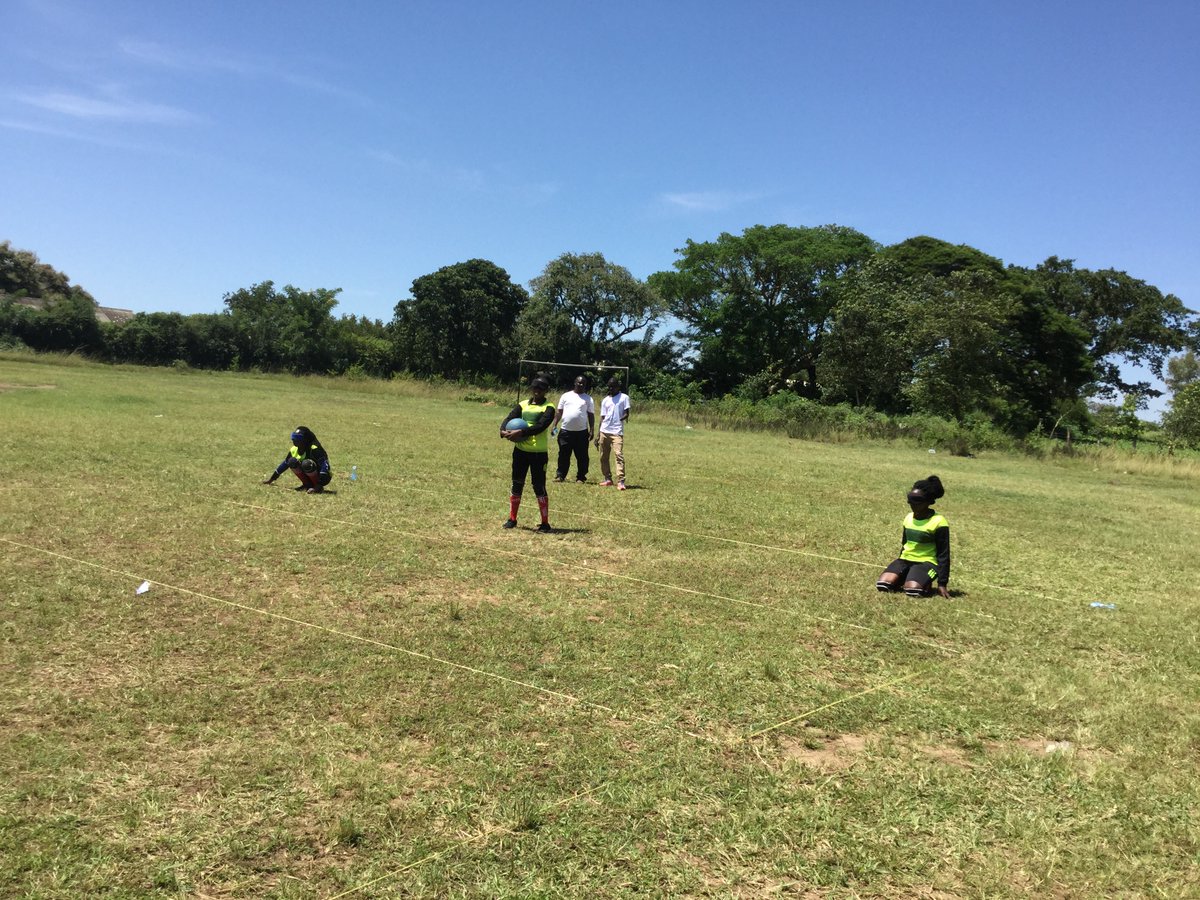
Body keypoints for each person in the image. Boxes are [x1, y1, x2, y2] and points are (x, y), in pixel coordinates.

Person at [876, 475, 950, 598]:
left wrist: (942, 584)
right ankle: (908, 576)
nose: (912, 504)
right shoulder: (908, 518)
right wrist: (899, 565)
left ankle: (923, 583)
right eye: (910, 499)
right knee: (883, 584)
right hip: (906, 559)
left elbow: (944, 554)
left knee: (913, 590)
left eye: (917, 501)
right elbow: (905, 544)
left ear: (928, 501)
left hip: (928, 562)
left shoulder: (939, 521)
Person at [500, 375, 556, 532]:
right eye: (535, 388)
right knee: (517, 483)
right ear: (531, 389)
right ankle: (512, 519)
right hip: (520, 452)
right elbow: (509, 418)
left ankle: (545, 523)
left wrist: (521, 431)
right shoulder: (523, 404)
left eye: (541, 388)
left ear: (546, 391)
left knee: (539, 486)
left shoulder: (549, 407)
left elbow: (540, 426)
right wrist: (503, 430)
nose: (537, 391)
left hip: (538, 453)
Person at [551, 374, 595, 483]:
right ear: (574, 383)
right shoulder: (566, 396)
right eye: (579, 382)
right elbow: (559, 411)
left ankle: (581, 477)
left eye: (583, 383)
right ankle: (560, 475)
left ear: (585, 385)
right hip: (565, 431)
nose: (580, 384)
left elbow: (590, 415)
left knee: (582, 456)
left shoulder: (588, 399)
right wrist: (554, 425)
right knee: (563, 455)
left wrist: (592, 429)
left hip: (581, 433)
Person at [263, 426, 332, 494]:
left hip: (323, 477)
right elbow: (284, 464)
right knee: (291, 461)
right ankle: (307, 485)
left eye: (298, 439)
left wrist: (319, 484)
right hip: (309, 473)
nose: (295, 441)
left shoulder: (314, 449)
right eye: (294, 438)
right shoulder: (294, 449)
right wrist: (271, 479)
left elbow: (324, 465)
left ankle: (317, 488)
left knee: (306, 463)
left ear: (305, 440)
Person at [595, 376, 631, 490]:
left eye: (613, 386)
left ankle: (621, 481)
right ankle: (607, 478)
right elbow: (602, 418)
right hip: (604, 431)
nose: (610, 389)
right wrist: (598, 434)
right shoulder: (605, 400)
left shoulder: (624, 397)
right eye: (609, 386)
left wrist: (620, 419)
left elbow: (627, 413)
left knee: (618, 455)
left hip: (616, 432)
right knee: (603, 456)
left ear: (618, 387)